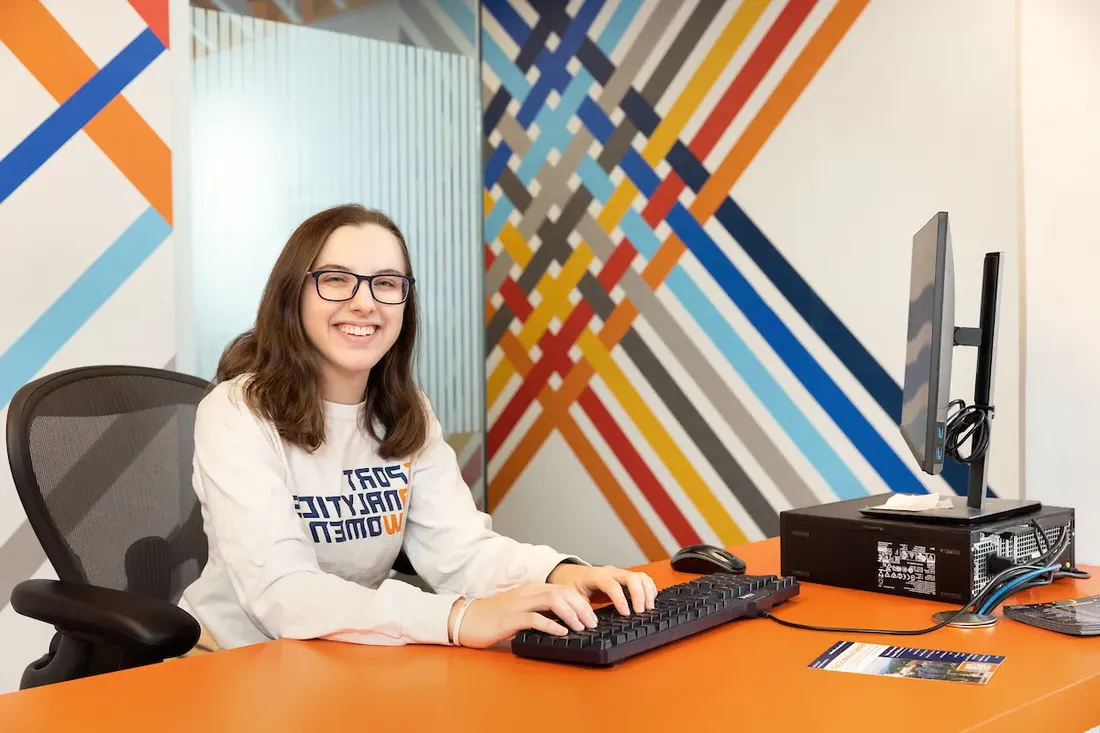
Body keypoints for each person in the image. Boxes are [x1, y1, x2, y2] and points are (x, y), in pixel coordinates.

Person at [179, 204, 657, 653]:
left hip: (348, 657)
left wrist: (558, 572)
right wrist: (457, 618)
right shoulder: (237, 411)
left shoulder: (408, 413)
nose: (365, 303)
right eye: (336, 280)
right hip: (233, 659)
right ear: (293, 294)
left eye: (386, 283)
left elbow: (460, 551)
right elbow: (281, 593)